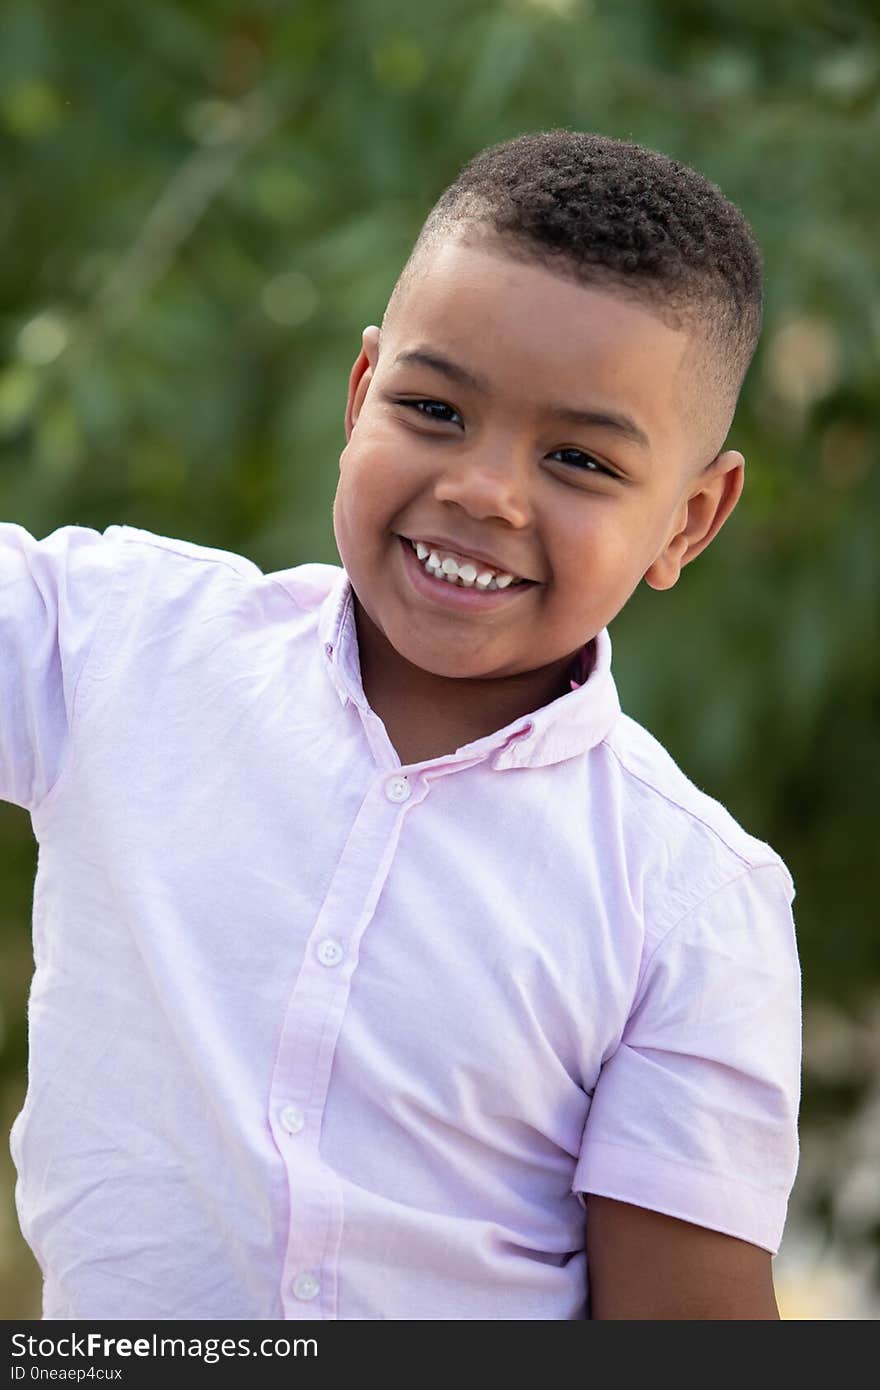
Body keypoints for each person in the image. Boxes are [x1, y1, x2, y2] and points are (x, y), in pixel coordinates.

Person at [1, 130, 801, 1321]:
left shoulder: (689, 901)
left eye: (578, 458)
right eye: (433, 407)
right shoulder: (118, 644)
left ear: (689, 519)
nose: (484, 489)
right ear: (360, 393)